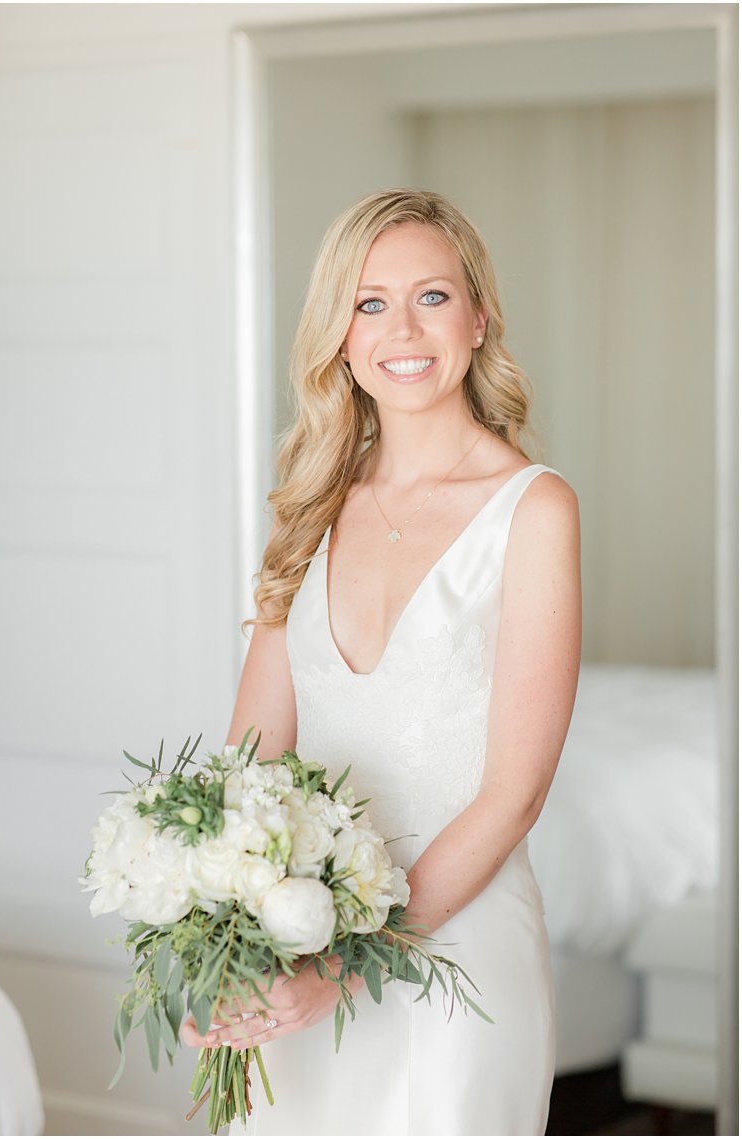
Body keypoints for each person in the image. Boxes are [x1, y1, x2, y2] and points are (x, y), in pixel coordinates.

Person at [181, 188, 580, 1134]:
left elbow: (513, 796)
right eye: (370, 302)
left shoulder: (535, 509)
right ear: (342, 337)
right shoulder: (309, 507)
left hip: (456, 957)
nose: (402, 327)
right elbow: (249, 761)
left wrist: (346, 965)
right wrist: (216, 942)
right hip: (293, 944)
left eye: (432, 297)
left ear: (478, 319)